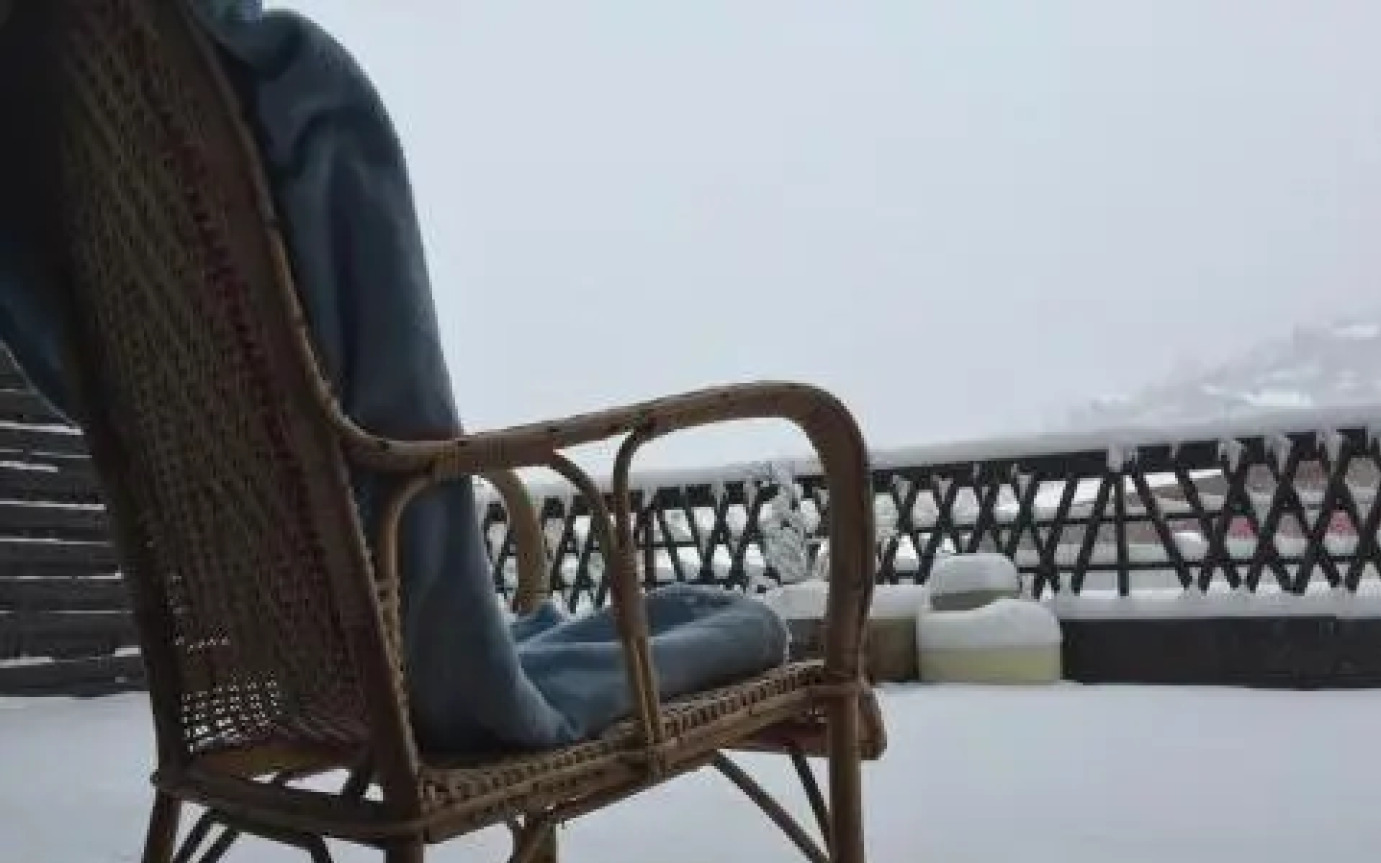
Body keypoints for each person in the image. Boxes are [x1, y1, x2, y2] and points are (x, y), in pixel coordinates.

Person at [0, 0, 791, 753]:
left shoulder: (48, 134)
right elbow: (397, 419)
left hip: (286, 675)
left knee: (653, 616)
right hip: (430, 681)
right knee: (745, 620)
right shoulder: (293, 87)